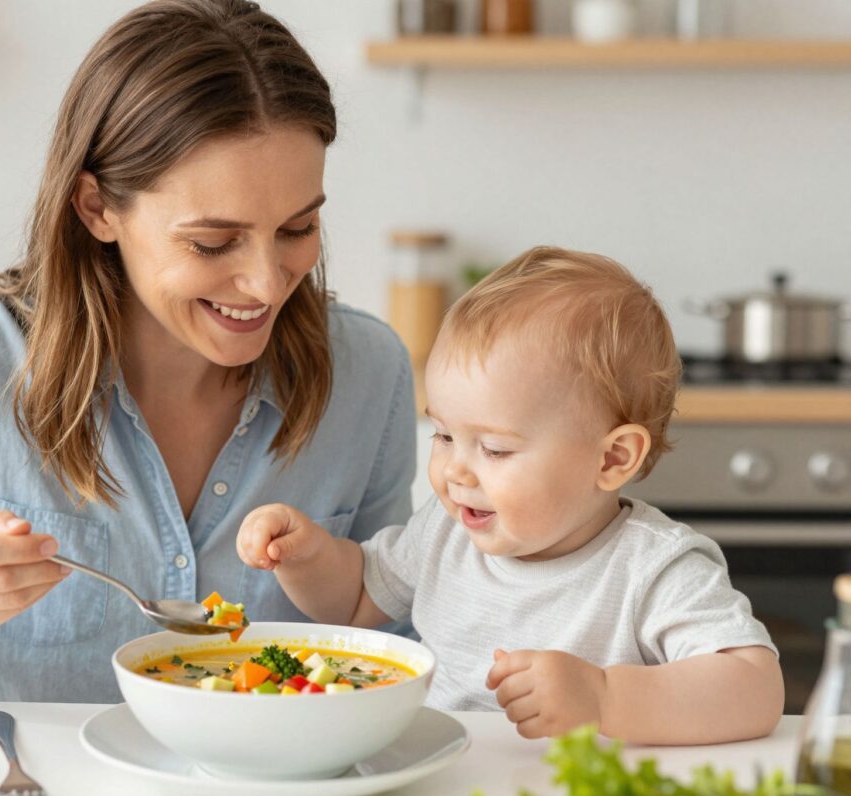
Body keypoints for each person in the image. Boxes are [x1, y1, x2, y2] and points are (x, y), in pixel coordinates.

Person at [0, 0, 416, 702]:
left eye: (298, 227)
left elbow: (399, 643)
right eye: (212, 242)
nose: (266, 281)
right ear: (96, 208)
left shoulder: (369, 373)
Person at [237, 246, 784, 745]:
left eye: (495, 450)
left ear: (613, 459)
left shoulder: (652, 566)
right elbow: (354, 601)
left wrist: (604, 697)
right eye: (445, 435)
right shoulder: (447, 532)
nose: (455, 469)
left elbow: (755, 688)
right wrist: (308, 556)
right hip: (445, 789)